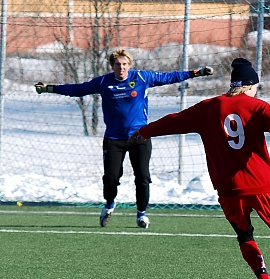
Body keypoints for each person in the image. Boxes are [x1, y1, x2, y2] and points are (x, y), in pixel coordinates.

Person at [129, 57, 270, 279]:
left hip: (229, 189)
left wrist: (145, 131)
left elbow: (174, 120)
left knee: (245, 235)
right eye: (255, 86)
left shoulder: (208, 107)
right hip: (261, 185)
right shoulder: (259, 107)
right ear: (249, 85)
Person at [35, 48, 212, 228]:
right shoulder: (104, 81)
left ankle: (141, 214)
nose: (122, 67)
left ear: (130, 65)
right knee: (111, 178)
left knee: (142, 177)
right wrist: (50, 88)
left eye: (125, 64)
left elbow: (169, 77)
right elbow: (79, 89)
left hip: (139, 137)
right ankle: (109, 204)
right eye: (118, 64)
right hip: (114, 138)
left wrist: (196, 73)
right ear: (112, 66)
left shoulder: (142, 78)